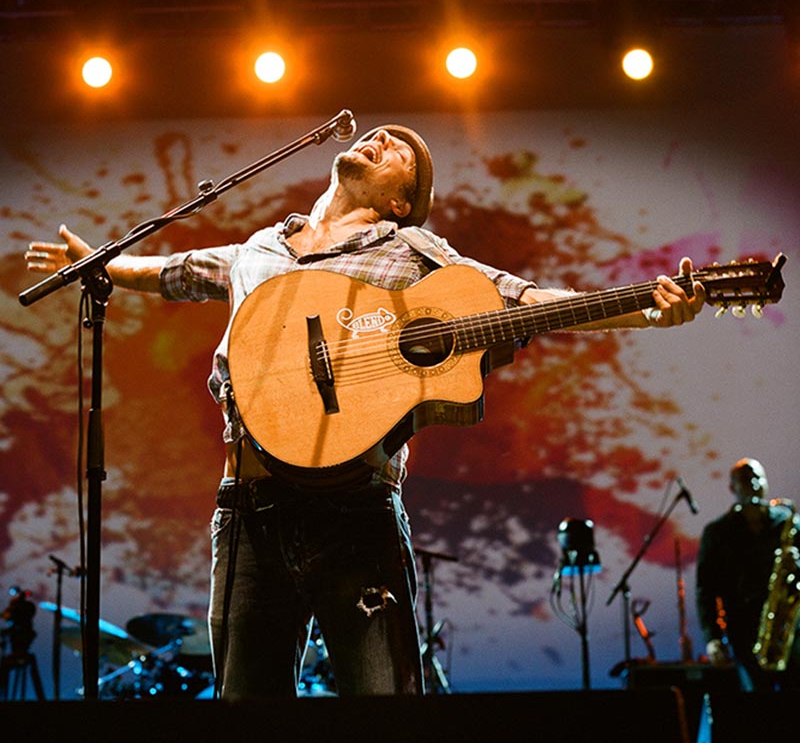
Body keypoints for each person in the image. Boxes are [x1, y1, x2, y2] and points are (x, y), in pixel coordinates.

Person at [25, 124, 706, 698]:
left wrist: (646, 309)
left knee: (386, 718)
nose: (380, 138)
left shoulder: (413, 252)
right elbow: (174, 271)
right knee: (245, 725)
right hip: (247, 508)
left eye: (400, 149)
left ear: (402, 200)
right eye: (377, 133)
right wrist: (100, 266)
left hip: (356, 507)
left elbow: (525, 301)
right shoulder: (260, 249)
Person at [696, 457, 800, 691]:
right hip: (744, 631)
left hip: (790, 631)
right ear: (732, 487)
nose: (753, 483)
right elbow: (706, 589)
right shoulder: (718, 532)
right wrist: (712, 638)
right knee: (757, 702)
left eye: (757, 478)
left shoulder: (788, 524)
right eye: (745, 479)